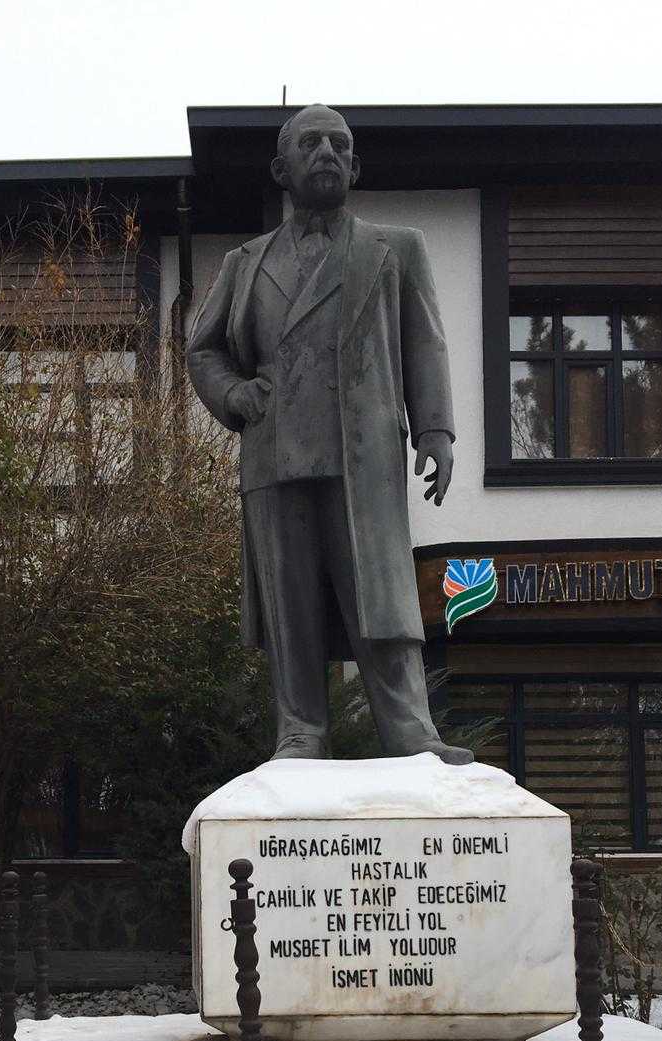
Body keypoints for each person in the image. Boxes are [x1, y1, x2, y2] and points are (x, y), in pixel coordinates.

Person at [187, 103, 472, 764]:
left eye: (339, 145)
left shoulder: (395, 248)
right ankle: (300, 730)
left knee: (383, 598)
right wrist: (234, 394)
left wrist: (435, 429)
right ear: (280, 169)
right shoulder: (244, 262)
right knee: (290, 605)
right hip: (275, 452)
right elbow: (203, 350)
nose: (326, 154)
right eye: (310, 143)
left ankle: (410, 731)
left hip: (362, 452)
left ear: (356, 164)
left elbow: (424, 343)